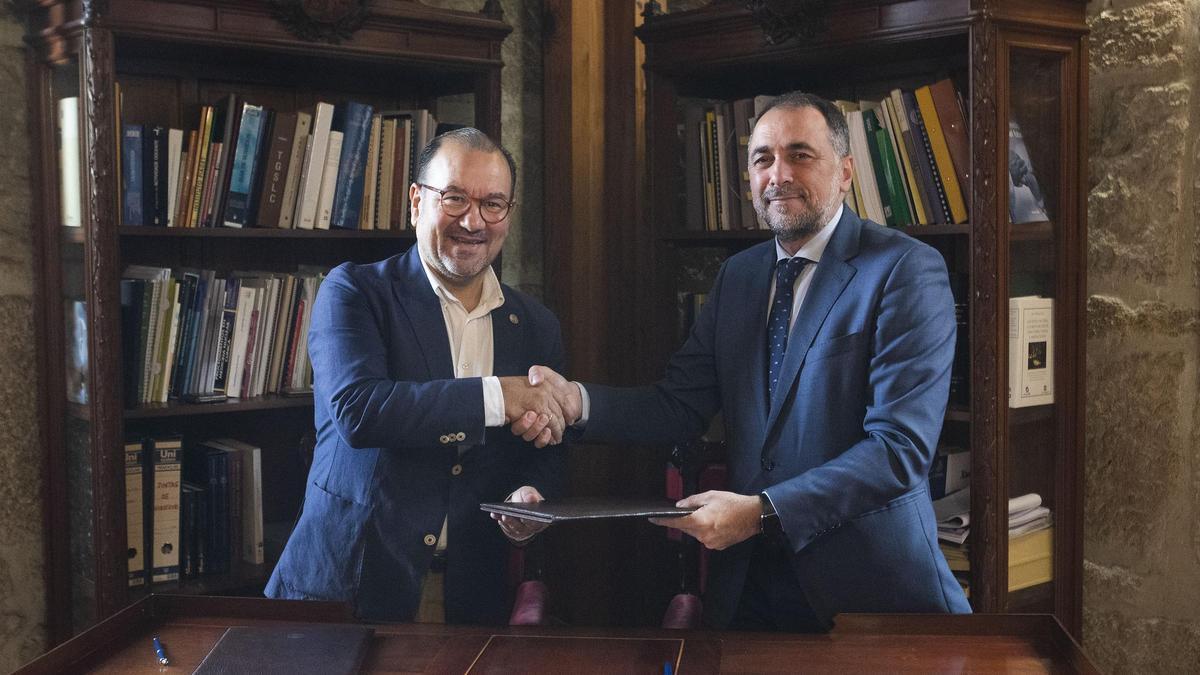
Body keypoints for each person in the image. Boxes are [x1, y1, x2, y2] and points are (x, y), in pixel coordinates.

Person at [516, 92, 971, 631]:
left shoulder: (903, 269)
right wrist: (576, 403)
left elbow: (899, 451)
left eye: (800, 155)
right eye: (762, 159)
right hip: (749, 589)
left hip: (866, 589)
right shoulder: (740, 277)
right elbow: (678, 404)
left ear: (846, 171)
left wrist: (763, 511)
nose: (778, 174)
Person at [266, 127, 569, 624]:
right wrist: (499, 397)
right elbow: (360, 412)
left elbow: (548, 447)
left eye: (493, 204)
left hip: (472, 596)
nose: (474, 221)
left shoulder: (535, 324)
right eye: (454, 198)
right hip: (348, 589)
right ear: (416, 201)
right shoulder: (354, 292)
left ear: (508, 215)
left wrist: (529, 496)